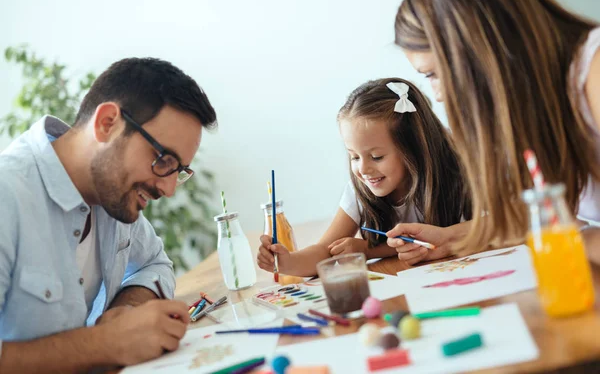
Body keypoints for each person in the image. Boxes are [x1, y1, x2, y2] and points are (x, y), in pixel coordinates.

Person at [0, 57, 217, 373]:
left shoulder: (110, 195)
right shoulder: (8, 197)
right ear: (107, 123)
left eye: (179, 170)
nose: (169, 189)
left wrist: (128, 308)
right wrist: (105, 343)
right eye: (163, 159)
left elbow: (154, 263)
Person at [390, 0, 600, 265]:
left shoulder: (594, 73)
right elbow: (536, 217)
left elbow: (562, 227)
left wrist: (577, 239)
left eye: (433, 74)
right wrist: (453, 237)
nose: (437, 95)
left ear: (476, 49)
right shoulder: (541, 100)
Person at [257, 78, 471, 276]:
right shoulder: (360, 189)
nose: (363, 169)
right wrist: (286, 262)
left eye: (376, 157)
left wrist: (370, 250)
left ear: (413, 148)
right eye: (354, 157)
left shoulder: (456, 176)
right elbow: (325, 251)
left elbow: (492, 226)